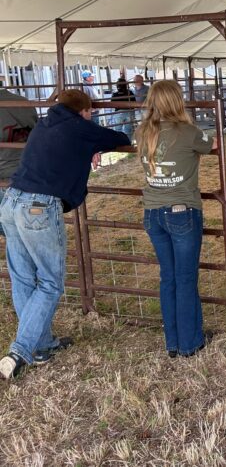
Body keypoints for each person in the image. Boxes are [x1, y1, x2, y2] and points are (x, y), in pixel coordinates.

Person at [0, 89, 130, 379]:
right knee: (50, 282)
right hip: (39, 207)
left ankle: (42, 343)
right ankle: (20, 350)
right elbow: (122, 139)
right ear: (84, 111)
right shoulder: (80, 128)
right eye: (90, 112)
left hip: (11, 201)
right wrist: (94, 143)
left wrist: (89, 146)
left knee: (22, 278)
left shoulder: (44, 124)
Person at [136, 80, 217, 357]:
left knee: (168, 278)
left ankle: (172, 342)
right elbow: (212, 144)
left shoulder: (143, 131)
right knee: (185, 279)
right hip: (182, 211)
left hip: (152, 212)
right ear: (177, 101)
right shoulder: (188, 132)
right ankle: (190, 343)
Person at [0, 88, 39, 230]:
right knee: (32, 230)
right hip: (31, 175)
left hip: (4, 178)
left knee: (11, 232)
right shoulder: (23, 102)